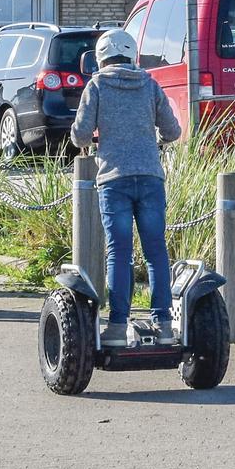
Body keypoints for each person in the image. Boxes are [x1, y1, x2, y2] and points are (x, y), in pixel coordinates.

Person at [69, 28, 182, 348]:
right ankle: (163, 325)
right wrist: (153, 139)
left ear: (100, 58)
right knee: (155, 251)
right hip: (150, 177)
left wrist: (96, 137)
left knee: (119, 253)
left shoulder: (97, 85)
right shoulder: (150, 84)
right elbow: (172, 131)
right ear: (133, 55)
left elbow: (80, 135)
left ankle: (118, 327)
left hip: (113, 179)